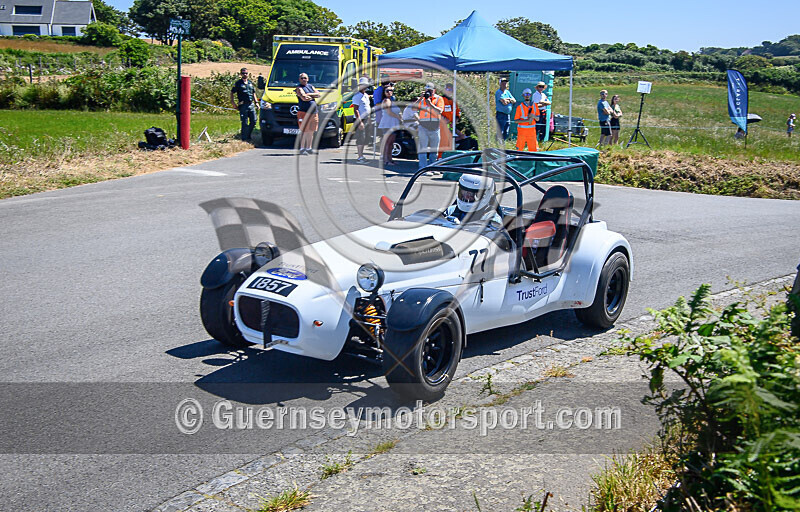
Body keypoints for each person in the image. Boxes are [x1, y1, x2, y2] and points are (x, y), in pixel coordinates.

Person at [414, 82, 445, 171]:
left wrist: (430, 104)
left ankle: (432, 167)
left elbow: (440, 111)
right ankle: (423, 168)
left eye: (430, 91)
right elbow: (413, 108)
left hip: (435, 127)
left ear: (434, 91)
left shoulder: (439, 99)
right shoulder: (422, 100)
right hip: (423, 126)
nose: (428, 92)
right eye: (427, 90)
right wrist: (420, 98)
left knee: (434, 150)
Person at [295, 73, 321, 155]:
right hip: (304, 112)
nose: (304, 79)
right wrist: (313, 96)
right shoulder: (299, 88)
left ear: (308, 79)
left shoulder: (310, 86)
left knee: (311, 131)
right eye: (302, 78)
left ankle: (309, 148)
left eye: (305, 78)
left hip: (314, 112)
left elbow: (319, 94)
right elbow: (304, 98)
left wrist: (309, 94)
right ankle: (302, 148)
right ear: (299, 79)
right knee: (304, 130)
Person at [230, 67, 258, 142]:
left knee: (254, 120)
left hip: (251, 104)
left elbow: (253, 93)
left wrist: (257, 103)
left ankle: (248, 134)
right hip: (243, 105)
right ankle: (244, 138)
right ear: (240, 74)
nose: (245, 74)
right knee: (244, 122)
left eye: (246, 73)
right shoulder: (238, 83)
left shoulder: (250, 83)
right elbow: (232, 92)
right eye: (243, 73)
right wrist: (233, 103)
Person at [377, 84, 402, 166]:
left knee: (391, 143)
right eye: (387, 91)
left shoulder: (391, 101)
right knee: (387, 143)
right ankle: (386, 160)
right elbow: (388, 112)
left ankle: (390, 159)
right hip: (387, 124)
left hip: (393, 123)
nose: (389, 92)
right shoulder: (386, 101)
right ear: (384, 92)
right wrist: (398, 117)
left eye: (391, 90)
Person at [351, 77, 372, 163]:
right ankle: (360, 156)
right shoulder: (357, 96)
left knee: (365, 137)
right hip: (360, 119)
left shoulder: (366, 96)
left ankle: (362, 155)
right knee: (360, 137)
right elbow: (356, 109)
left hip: (366, 118)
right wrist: (359, 122)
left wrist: (369, 118)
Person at [439, 83, 462, 158]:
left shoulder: (454, 101)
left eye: (450, 89)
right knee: (442, 143)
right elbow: (436, 111)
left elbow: (457, 113)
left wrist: (456, 120)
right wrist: (443, 119)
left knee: (450, 144)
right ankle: (440, 158)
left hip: (451, 127)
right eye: (447, 89)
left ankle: (448, 159)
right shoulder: (441, 99)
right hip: (441, 126)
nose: (449, 91)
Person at [495, 77, 516, 142]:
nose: (505, 84)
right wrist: (510, 100)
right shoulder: (498, 92)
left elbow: (514, 100)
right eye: (503, 83)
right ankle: (498, 143)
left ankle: (503, 142)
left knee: (506, 131)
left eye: (506, 83)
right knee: (500, 130)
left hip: (507, 115)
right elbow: (504, 102)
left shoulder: (507, 92)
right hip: (501, 114)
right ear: (500, 84)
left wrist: (508, 100)